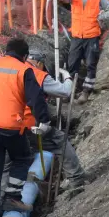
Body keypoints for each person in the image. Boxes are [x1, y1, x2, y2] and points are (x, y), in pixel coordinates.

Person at [0, 38, 53, 217]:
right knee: (22, 158)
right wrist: (44, 121)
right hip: (10, 124)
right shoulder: (23, 69)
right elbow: (36, 98)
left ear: (6, 51)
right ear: (24, 56)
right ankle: (12, 198)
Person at [23, 51, 87, 191]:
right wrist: (67, 77)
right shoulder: (38, 74)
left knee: (11, 160)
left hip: (6, 124)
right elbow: (65, 91)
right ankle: (77, 179)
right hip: (28, 123)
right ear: (39, 63)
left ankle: (4, 196)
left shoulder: (13, 71)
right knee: (59, 140)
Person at [51, 0, 109, 103]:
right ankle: (69, 91)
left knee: (91, 64)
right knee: (72, 64)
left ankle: (86, 91)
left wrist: (102, 18)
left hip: (92, 37)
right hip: (77, 37)